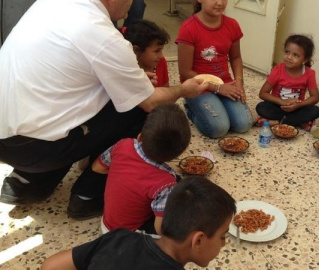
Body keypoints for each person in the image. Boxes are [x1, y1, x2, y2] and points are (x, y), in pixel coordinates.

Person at [0, 0, 208, 219]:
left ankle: (28, 184)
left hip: (7, 138)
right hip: (35, 148)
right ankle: (88, 195)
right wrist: (183, 90)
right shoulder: (102, 33)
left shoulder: (52, 4)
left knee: (75, 106)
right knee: (141, 111)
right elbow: (149, 101)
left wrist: (127, 79)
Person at [40, 176, 236, 270]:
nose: (224, 243)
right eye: (222, 236)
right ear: (198, 240)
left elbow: (50, 265)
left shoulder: (120, 237)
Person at [92, 104, 190, 235]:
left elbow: (96, 168)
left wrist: (127, 176)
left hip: (107, 224)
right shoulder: (165, 183)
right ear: (178, 154)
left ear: (140, 137)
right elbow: (160, 228)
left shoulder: (123, 145)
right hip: (129, 236)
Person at [176, 0, 253, 139]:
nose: (220, 3)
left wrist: (239, 82)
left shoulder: (232, 24)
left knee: (244, 124)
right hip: (197, 86)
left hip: (225, 83)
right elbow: (185, 72)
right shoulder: (188, 28)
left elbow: (236, 57)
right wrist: (217, 88)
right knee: (219, 129)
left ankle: (216, 107)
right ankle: (190, 109)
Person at [255, 34, 319, 132]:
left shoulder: (309, 73)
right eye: (287, 52)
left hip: (297, 107)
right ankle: (295, 121)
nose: (289, 57)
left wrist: (299, 105)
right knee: (261, 107)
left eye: (295, 55)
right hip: (278, 106)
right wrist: (282, 102)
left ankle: (277, 122)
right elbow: (263, 93)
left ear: (305, 60)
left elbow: (315, 97)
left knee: (315, 111)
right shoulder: (278, 70)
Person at [122, 19, 170, 87]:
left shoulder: (161, 62)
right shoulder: (125, 70)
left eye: (161, 50)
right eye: (157, 51)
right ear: (136, 51)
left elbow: (166, 89)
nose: (161, 56)